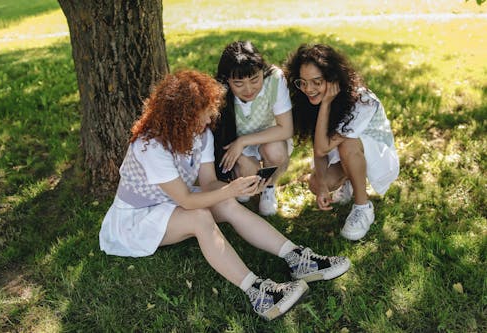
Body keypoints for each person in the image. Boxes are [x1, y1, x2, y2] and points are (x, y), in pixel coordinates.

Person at [98, 70, 351, 321]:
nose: (211, 116)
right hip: (137, 218)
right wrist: (228, 189)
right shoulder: (151, 146)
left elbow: (208, 183)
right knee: (199, 217)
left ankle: (297, 258)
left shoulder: (201, 134)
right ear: (183, 116)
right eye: (205, 111)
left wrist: (238, 187)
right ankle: (259, 293)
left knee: (226, 201)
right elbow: (187, 200)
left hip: (171, 201)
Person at [284, 44, 399, 241]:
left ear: (333, 79)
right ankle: (350, 183)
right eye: (302, 83)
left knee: (348, 143)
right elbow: (318, 150)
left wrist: (327, 103)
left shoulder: (362, 100)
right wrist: (321, 186)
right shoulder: (312, 101)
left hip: (378, 156)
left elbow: (323, 147)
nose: (308, 89)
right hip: (344, 154)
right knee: (317, 183)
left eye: (316, 82)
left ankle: (363, 207)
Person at [213, 41, 294, 216]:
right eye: (239, 83)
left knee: (276, 152)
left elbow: (285, 129)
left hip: (267, 137)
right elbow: (217, 139)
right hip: (234, 146)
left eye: (254, 79)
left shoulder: (274, 79)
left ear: (262, 71)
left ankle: (269, 187)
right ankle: (242, 182)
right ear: (227, 80)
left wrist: (243, 141)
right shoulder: (218, 92)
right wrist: (239, 152)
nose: (249, 89)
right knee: (248, 174)